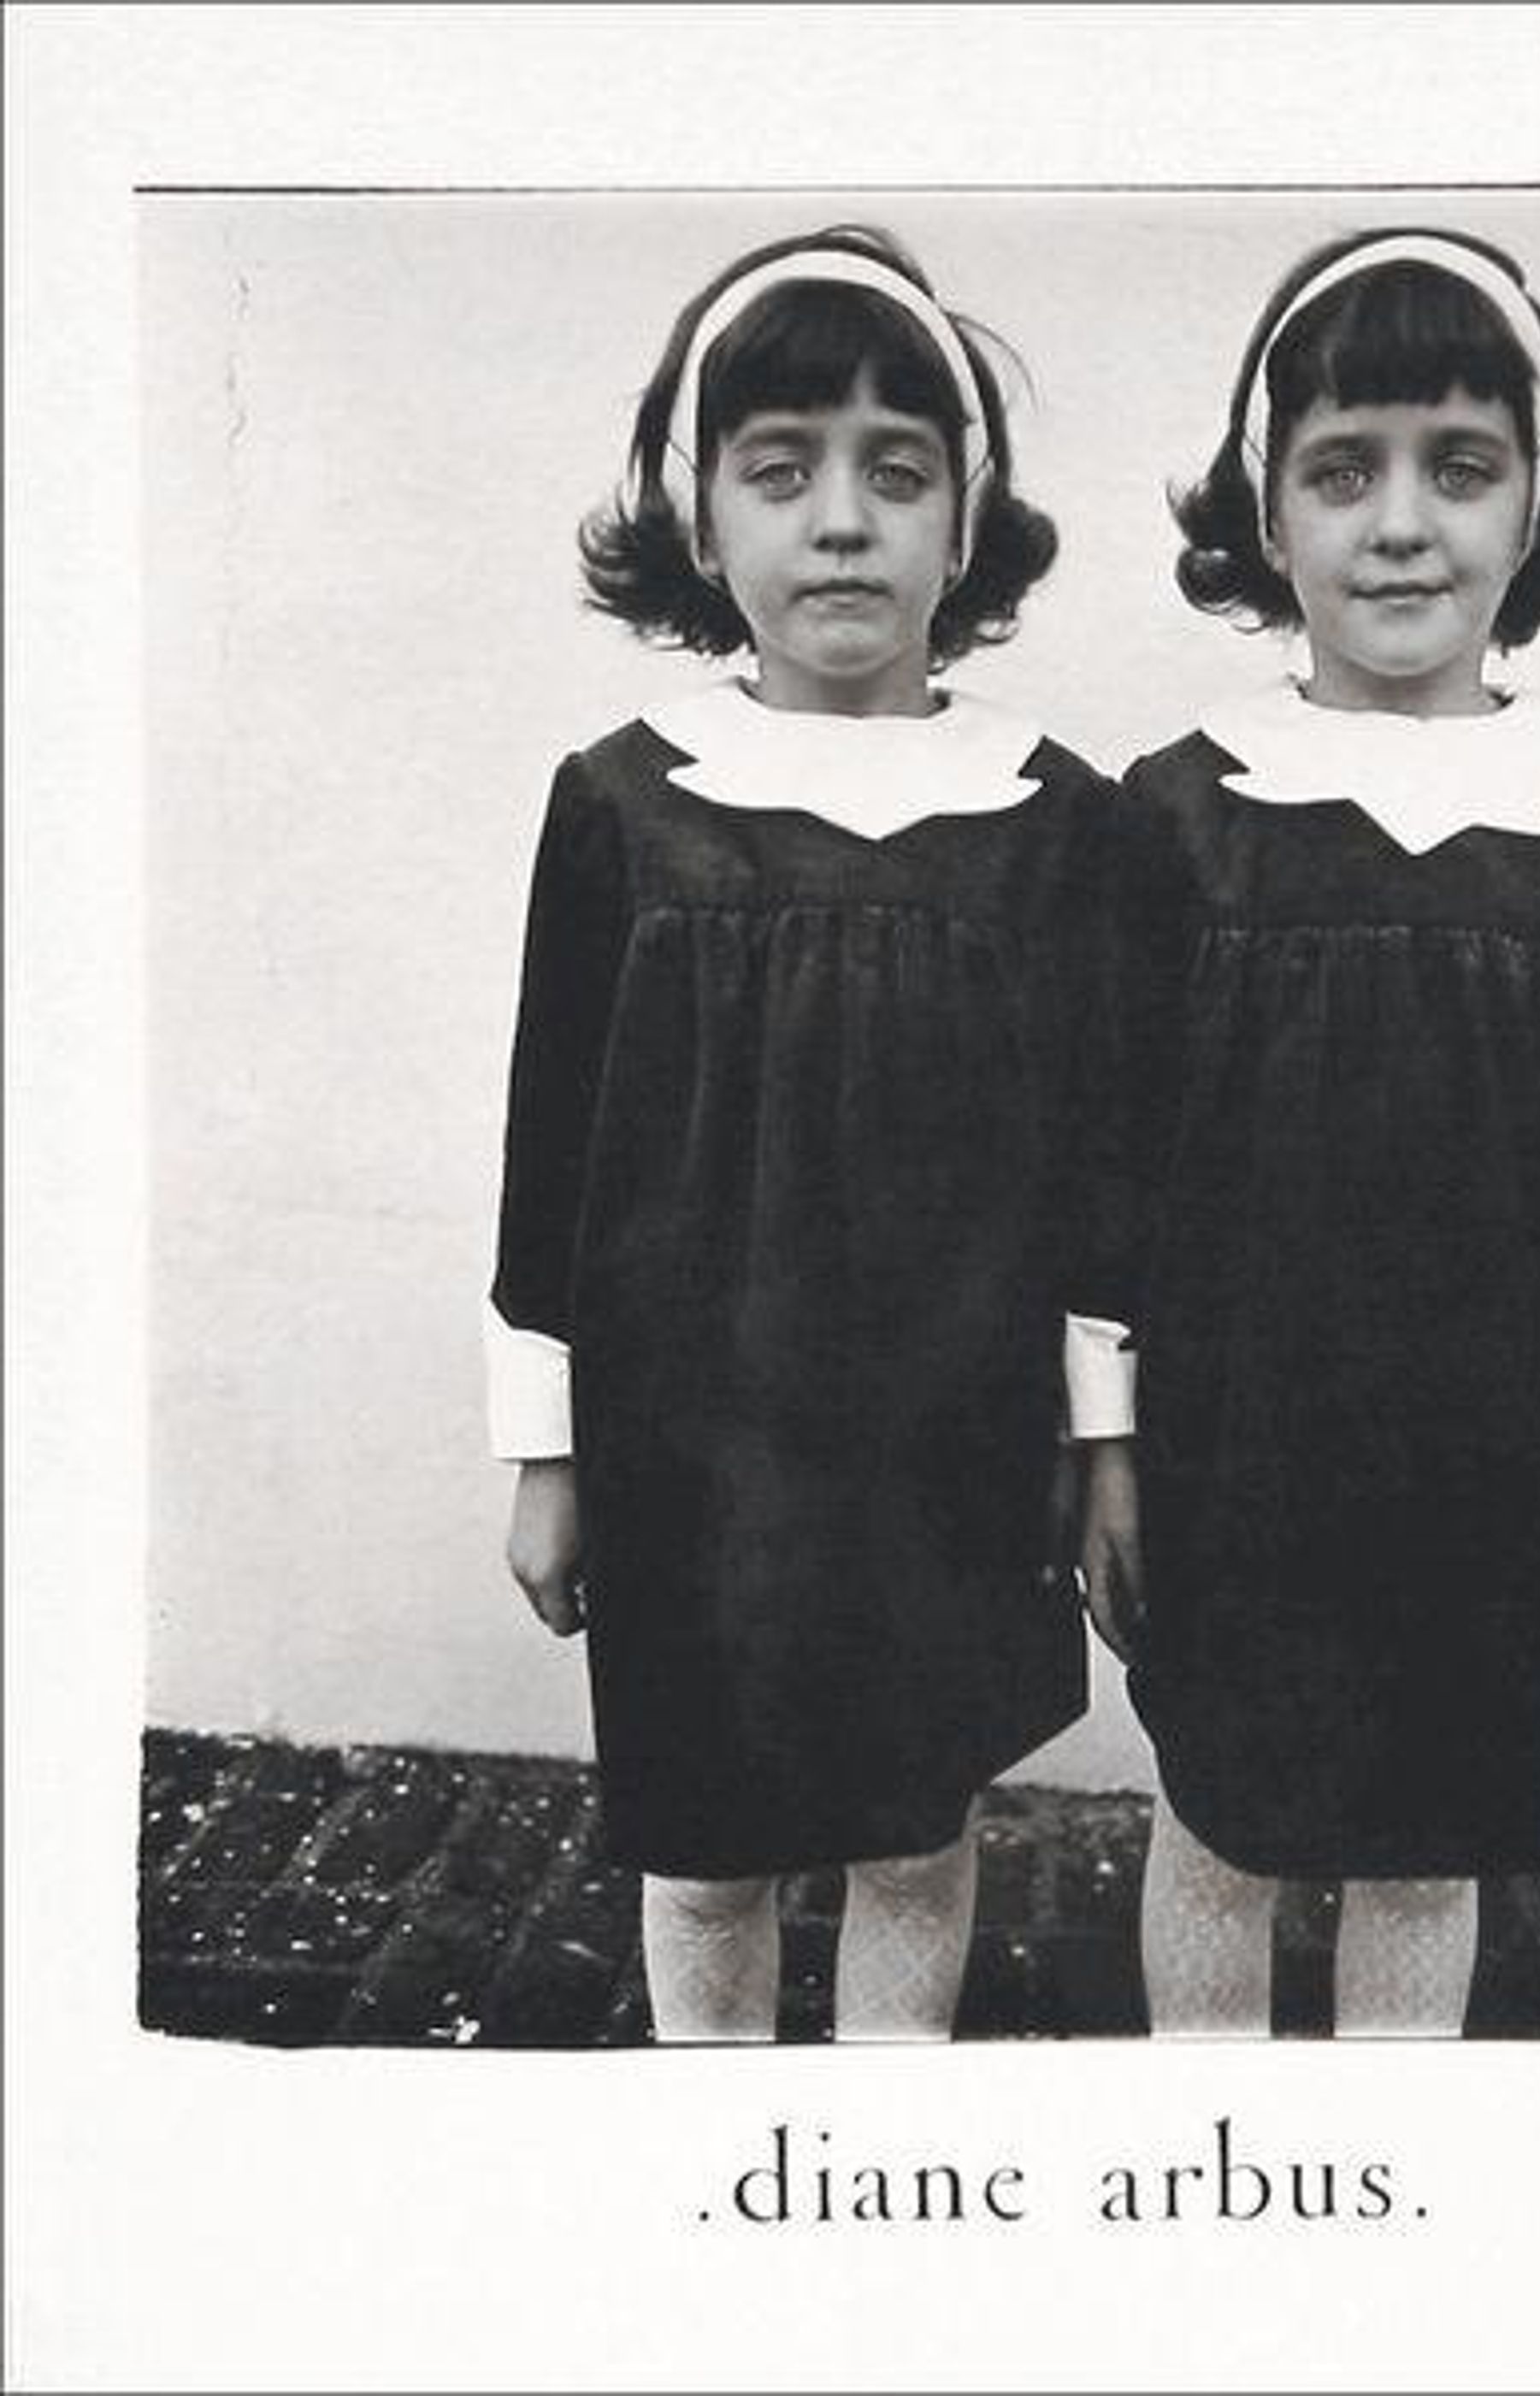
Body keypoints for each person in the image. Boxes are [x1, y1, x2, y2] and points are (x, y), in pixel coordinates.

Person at [1078, 227, 1540, 2037]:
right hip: (1237, 1444)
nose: (1401, 525)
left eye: (1461, 466)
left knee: (1431, 1835)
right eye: (1342, 470)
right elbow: (1102, 1166)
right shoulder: (1180, 814)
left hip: (1495, 1446)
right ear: (1267, 509)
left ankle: (1390, 2150)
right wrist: (1104, 1442)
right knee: (1223, 1820)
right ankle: (1208, 2134)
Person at [487, 226, 1126, 2042]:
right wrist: (546, 1452)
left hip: (952, 1439)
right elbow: (551, 1152)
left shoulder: (1050, 821)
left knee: (916, 1821)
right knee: (711, 1841)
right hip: (694, 1441)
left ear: (965, 522)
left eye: (896, 473)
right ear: (702, 522)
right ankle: (723, 2128)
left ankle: (879, 2122)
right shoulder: (625, 806)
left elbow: (1104, 1174)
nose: (842, 521)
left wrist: (1100, 1436)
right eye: (781, 471)